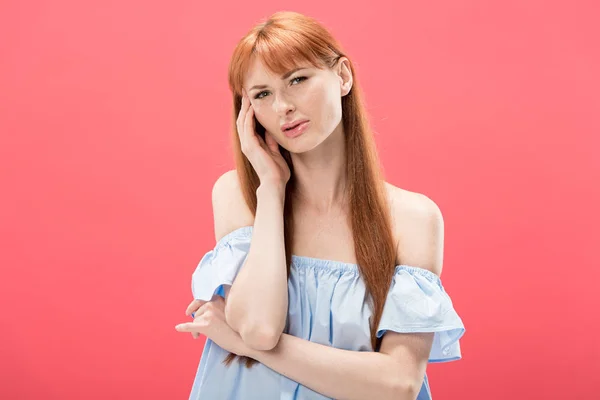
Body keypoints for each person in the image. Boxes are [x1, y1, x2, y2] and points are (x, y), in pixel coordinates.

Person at [175, 10, 465, 400]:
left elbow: (398, 384)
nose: (283, 107)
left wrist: (243, 344)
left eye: (297, 80)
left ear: (342, 77)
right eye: (262, 94)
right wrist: (271, 190)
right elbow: (260, 325)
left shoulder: (412, 219)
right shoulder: (239, 195)